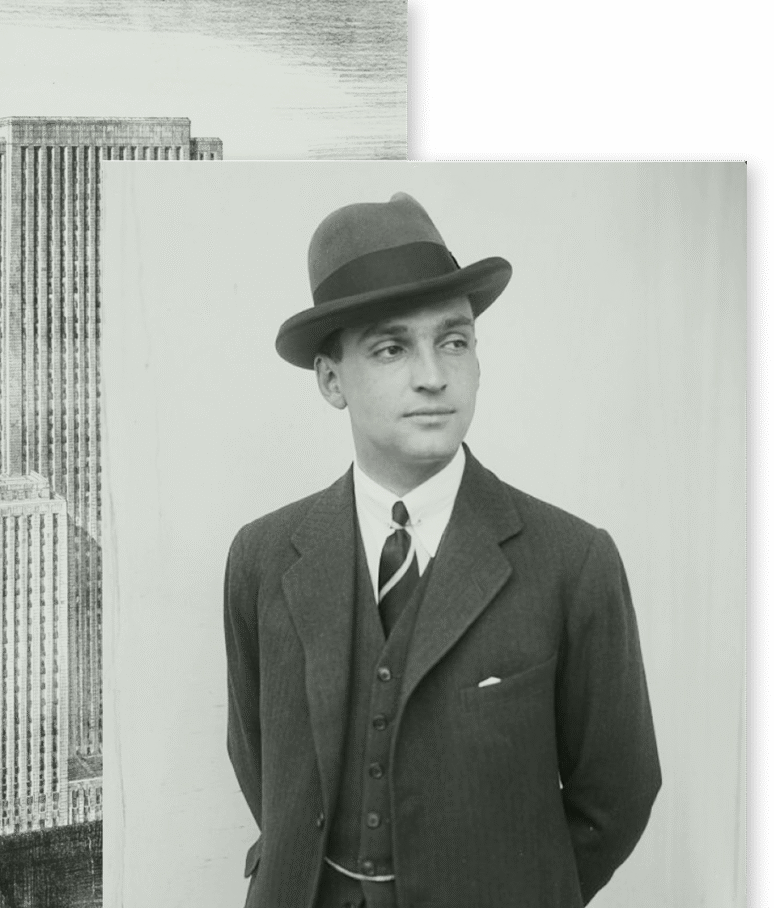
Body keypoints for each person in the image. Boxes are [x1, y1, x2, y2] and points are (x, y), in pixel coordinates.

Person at [223, 192, 661, 908]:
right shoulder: (263, 558)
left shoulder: (571, 562)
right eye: (392, 348)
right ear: (333, 380)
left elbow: (617, 793)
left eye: (454, 341)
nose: (433, 375)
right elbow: (262, 764)